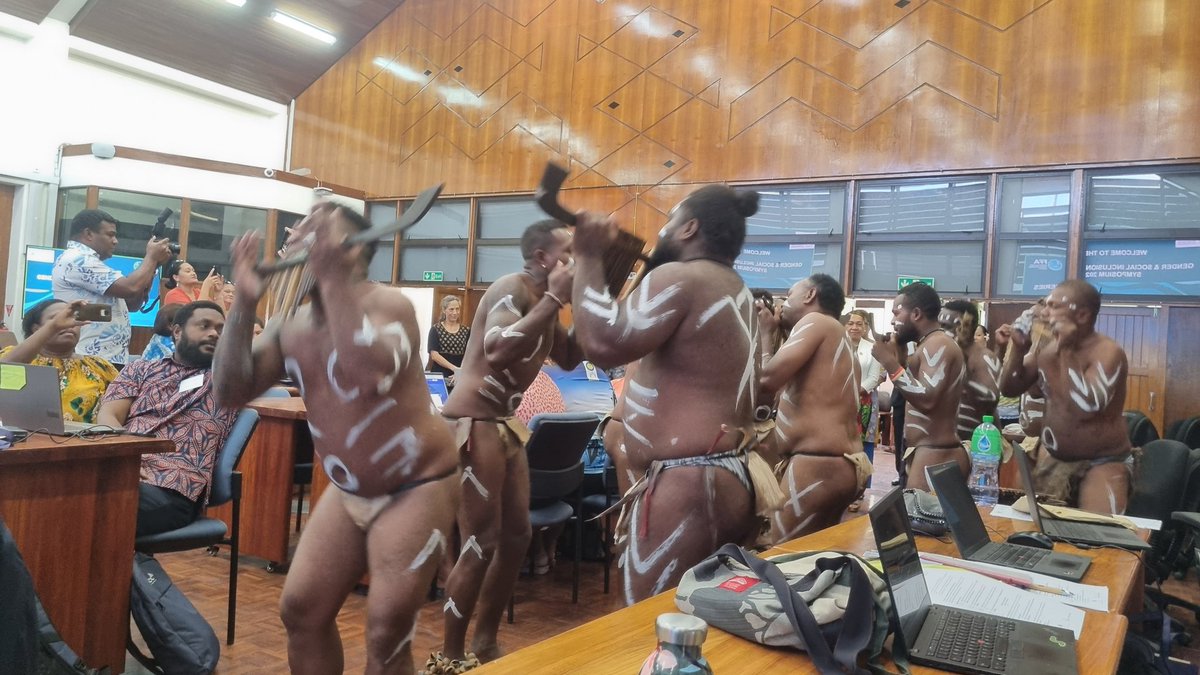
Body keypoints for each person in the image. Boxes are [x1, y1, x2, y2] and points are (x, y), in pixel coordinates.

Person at [214, 202, 460, 675]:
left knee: (387, 630)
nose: (297, 239)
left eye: (315, 232)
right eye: (300, 233)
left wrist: (330, 278)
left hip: (417, 486)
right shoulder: (292, 324)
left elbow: (367, 373)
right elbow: (228, 391)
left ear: (351, 251)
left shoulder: (390, 305)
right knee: (302, 610)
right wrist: (243, 305)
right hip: (349, 492)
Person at [570, 185, 778, 605]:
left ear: (689, 228)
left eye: (668, 220)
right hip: (723, 476)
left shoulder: (681, 277)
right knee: (693, 623)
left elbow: (604, 343)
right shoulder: (734, 287)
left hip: (689, 484)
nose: (662, 231)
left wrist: (590, 256)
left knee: (645, 626)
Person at [435, 220, 582, 669]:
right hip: (474, 421)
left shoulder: (544, 302)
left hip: (504, 423)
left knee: (517, 537)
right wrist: (557, 298)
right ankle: (450, 654)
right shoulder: (510, 288)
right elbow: (498, 350)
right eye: (569, 252)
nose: (576, 260)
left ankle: (485, 642)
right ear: (543, 258)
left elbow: (572, 357)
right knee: (481, 541)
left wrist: (587, 303)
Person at [96, 301, 238, 536]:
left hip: (173, 487)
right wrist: (126, 456)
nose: (214, 333)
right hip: (122, 469)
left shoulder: (227, 379)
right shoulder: (139, 370)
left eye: (221, 329)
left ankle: (136, 571)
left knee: (91, 509)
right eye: (204, 326)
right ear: (177, 331)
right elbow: (109, 414)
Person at [999, 280, 1132, 513]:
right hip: (1053, 459)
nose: (1044, 311)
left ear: (1081, 315)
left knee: (1097, 539)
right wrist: (1018, 348)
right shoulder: (1048, 352)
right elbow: (1009, 388)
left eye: (1053, 306)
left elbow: (1085, 408)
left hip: (1102, 463)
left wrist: (1067, 349)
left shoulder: (1108, 352)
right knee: (1031, 532)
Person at [758, 275, 867, 541]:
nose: (784, 301)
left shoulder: (816, 322)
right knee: (808, 561)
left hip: (818, 466)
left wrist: (765, 334)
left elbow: (766, 379)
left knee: (781, 557)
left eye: (790, 292)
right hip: (835, 465)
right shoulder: (832, 333)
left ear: (809, 296)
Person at [870, 282, 966, 492]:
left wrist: (888, 360)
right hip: (929, 452)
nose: (893, 320)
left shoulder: (938, 344)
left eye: (897, 312)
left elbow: (926, 398)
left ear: (915, 314)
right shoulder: (928, 344)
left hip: (936, 454)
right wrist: (901, 357)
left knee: (920, 524)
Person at [52, 209, 174, 366]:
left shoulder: (91, 262)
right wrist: (151, 257)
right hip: (89, 358)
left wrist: (153, 265)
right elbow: (131, 288)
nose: (115, 241)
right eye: (110, 235)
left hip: (106, 358)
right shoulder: (76, 260)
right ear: (88, 234)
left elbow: (132, 304)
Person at [1, 298, 118, 423]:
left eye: (74, 318)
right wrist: (54, 326)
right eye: (56, 318)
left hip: (85, 440)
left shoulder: (100, 366)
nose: (69, 324)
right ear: (36, 329)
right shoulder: (16, 356)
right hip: (24, 438)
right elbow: (4, 371)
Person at [940, 300, 1000, 440]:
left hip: (979, 446)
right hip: (946, 443)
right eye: (939, 326)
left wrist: (964, 371)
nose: (941, 332)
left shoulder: (984, 357)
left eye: (947, 326)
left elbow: (990, 400)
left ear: (967, 326)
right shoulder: (943, 353)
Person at [845, 308, 883, 506]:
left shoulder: (872, 348)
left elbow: (874, 377)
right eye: (851, 323)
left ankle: (859, 491)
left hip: (864, 403)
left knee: (862, 446)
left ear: (865, 326)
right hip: (838, 402)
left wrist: (856, 391)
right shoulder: (836, 344)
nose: (854, 327)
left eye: (859, 324)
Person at [427, 295, 470, 389]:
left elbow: (469, 354)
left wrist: (460, 371)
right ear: (444, 310)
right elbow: (434, 355)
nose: (455, 312)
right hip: (439, 377)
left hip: (459, 377)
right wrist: (454, 369)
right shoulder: (435, 329)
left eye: (457, 309)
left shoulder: (466, 331)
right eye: (451, 309)